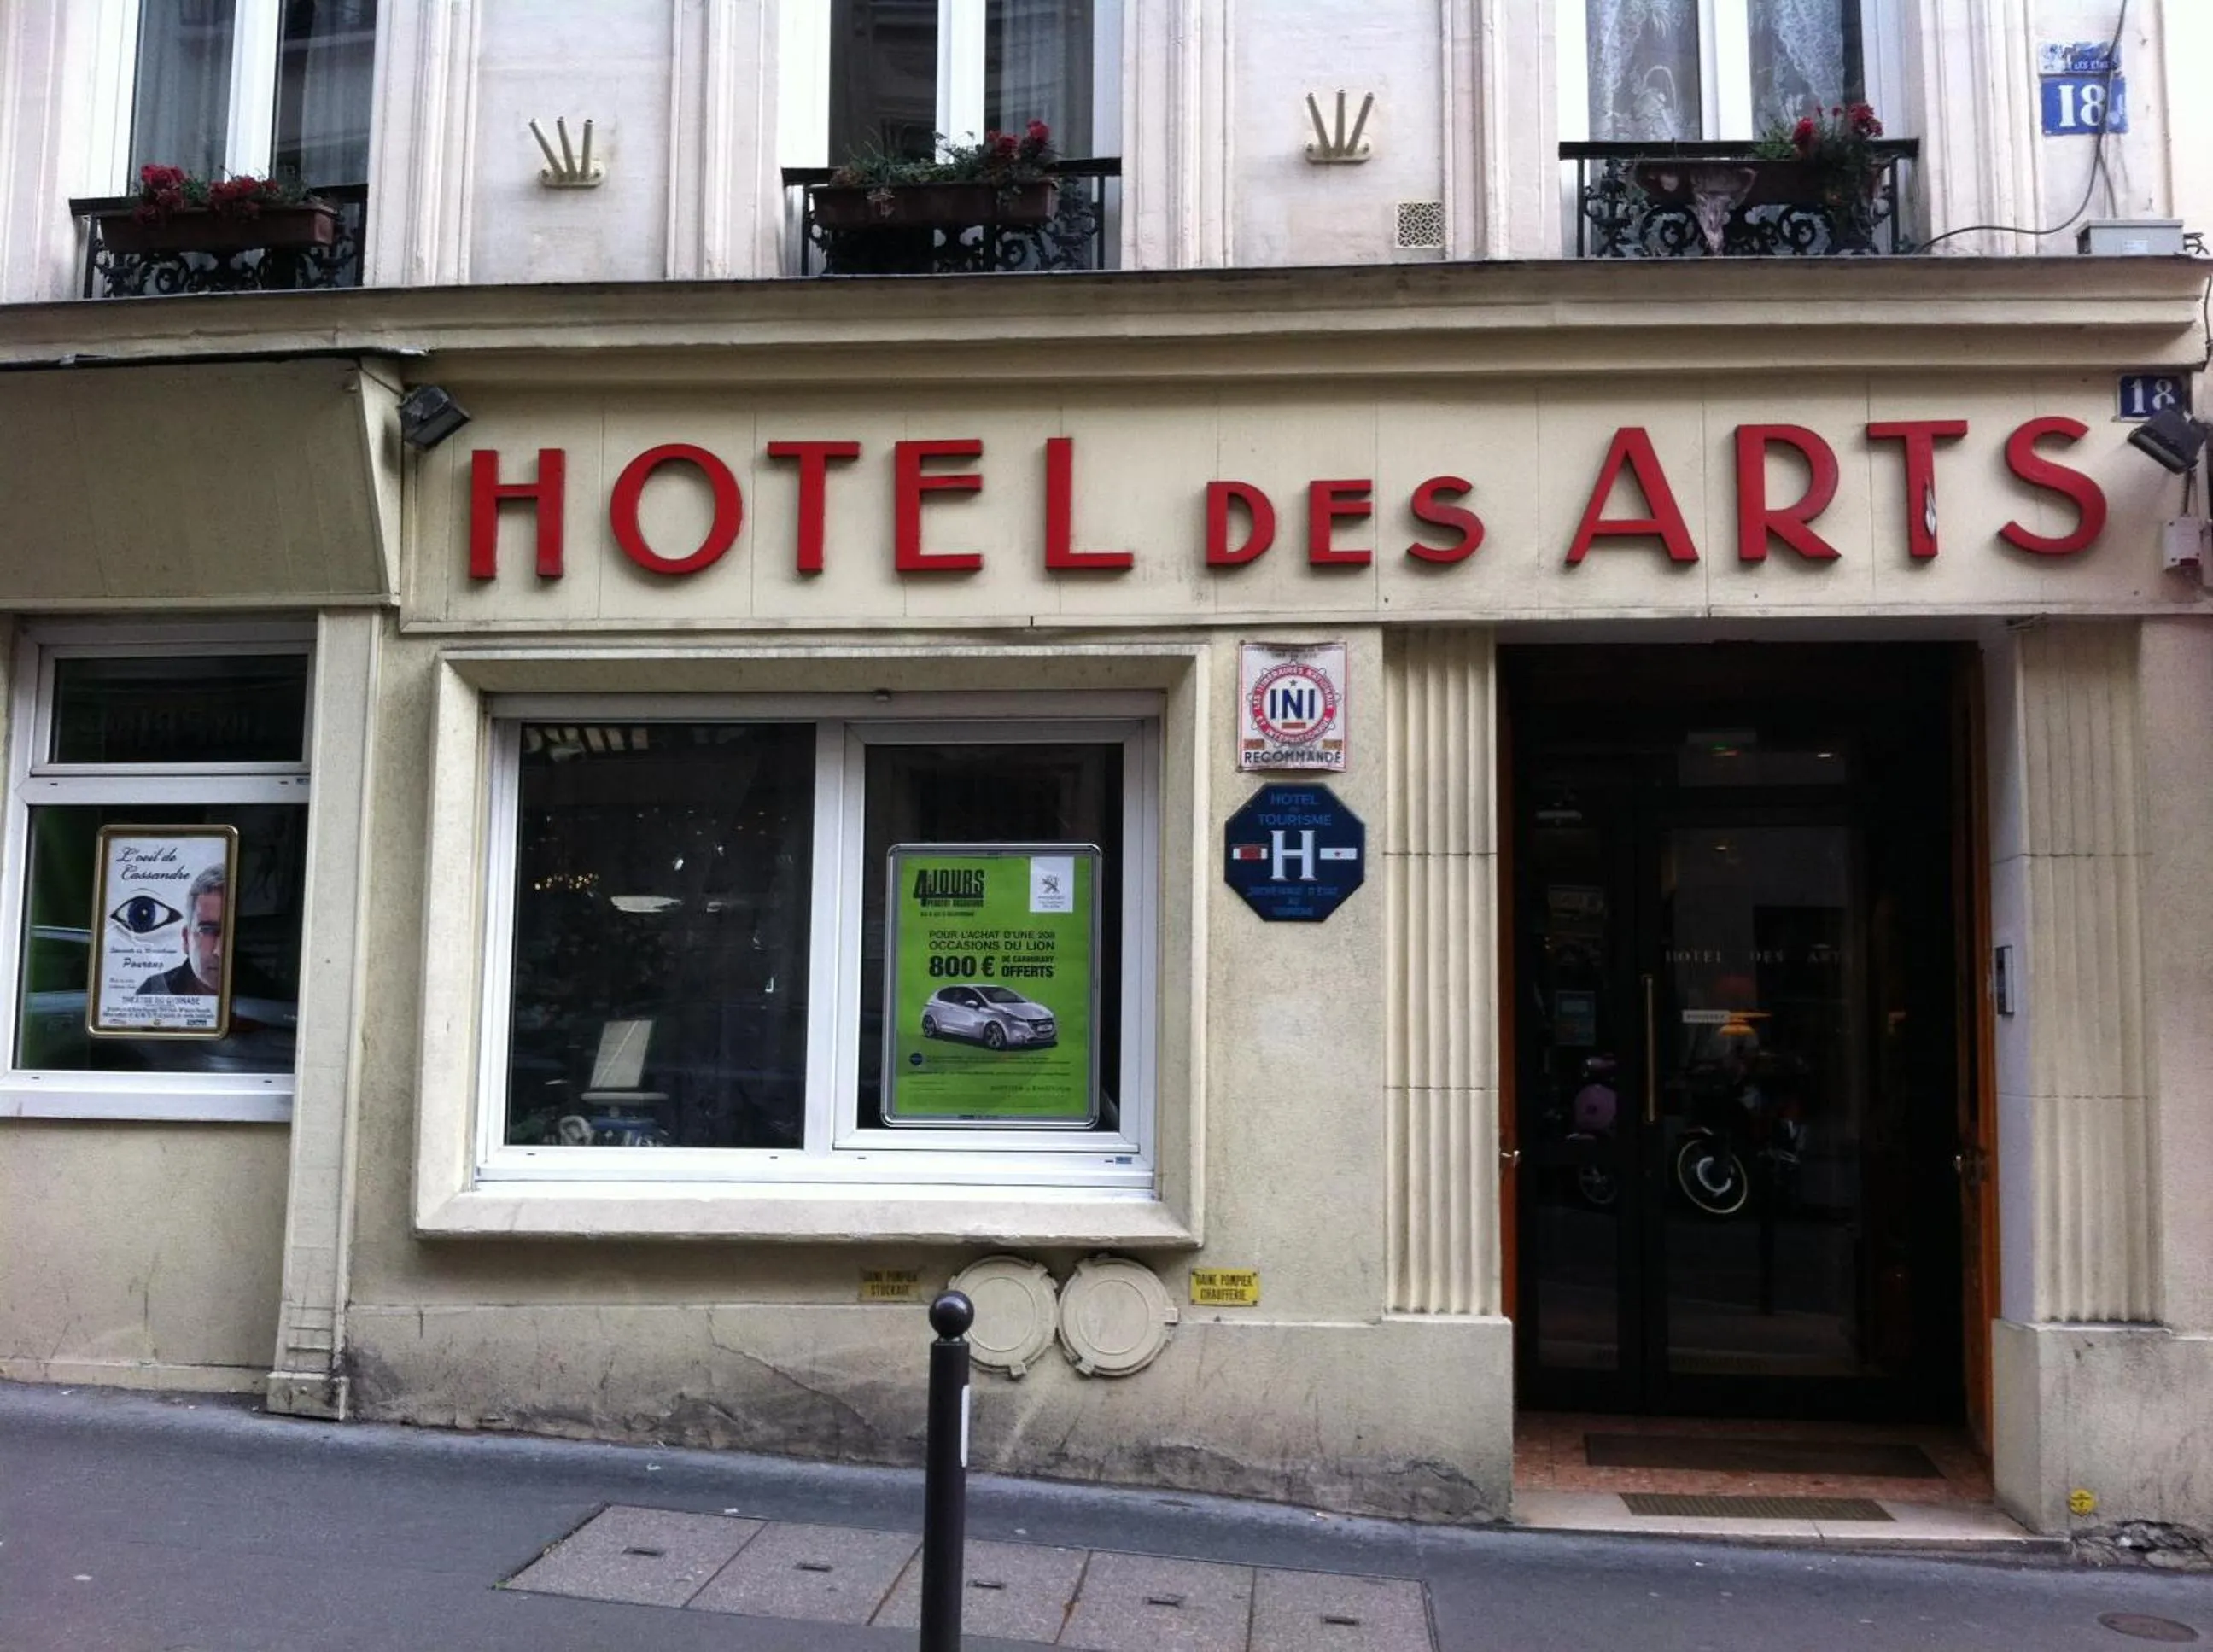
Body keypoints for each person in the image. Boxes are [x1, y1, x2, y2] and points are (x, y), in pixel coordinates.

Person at [139, 863, 225, 996]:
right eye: (207, 930)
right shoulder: (153, 992)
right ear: (186, 939)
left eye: (234, 932)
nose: (219, 951)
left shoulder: (261, 990)